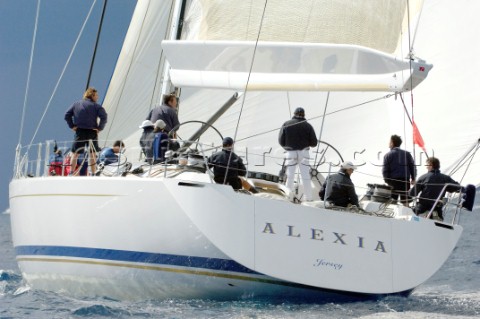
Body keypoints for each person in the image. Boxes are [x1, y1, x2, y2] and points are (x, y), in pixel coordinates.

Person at [64, 87, 108, 175]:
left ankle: (71, 172)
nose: (97, 97)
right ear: (92, 95)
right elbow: (104, 117)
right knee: (92, 154)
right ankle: (93, 173)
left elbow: (67, 115)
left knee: (75, 153)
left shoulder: (76, 104)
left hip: (80, 132)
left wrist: (72, 126)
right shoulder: (96, 106)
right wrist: (100, 128)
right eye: (96, 95)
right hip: (92, 132)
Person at [278, 107, 318, 201]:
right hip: (304, 153)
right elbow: (314, 143)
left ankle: (287, 197)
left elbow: (280, 140)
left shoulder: (286, 124)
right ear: (304, 115)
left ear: (294, 113)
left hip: (290, 152)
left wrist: (287, 146)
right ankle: (308, 198)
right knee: (305, 176)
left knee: (290, 176)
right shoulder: (308, 126)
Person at [409, 157, 461, 221]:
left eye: (427, 165)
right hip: (437, 208)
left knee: (410, 214)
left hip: (422, 207)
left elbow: (412, 193)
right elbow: (457, 187)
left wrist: (410, 191)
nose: (426, 167)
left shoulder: (423, 177)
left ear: (430, 165)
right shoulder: (446, 178)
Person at [382, 134, 416, 204]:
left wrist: (387, 181)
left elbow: (385, 171)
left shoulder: (387, 155)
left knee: (392, 201)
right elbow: (412, 167)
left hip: (393, 181)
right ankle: (407, 214)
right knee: (405, 201)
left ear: (392, 143)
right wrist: (413, 178)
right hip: (405, 181)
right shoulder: (407, 154)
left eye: (389, 142)